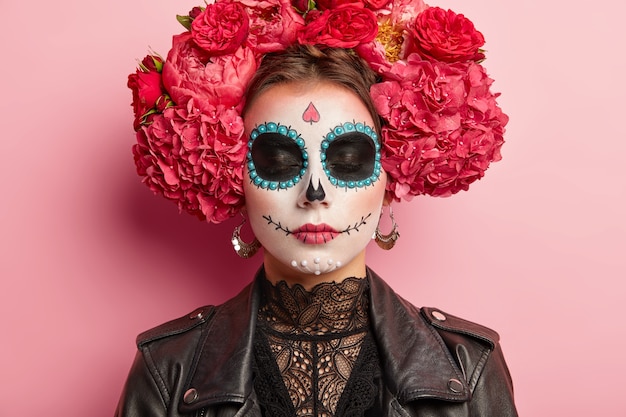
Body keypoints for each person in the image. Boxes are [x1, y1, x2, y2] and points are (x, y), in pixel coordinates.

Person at [119, 0, 516, 416]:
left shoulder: (468, 367)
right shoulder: (168, 370)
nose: (315, 191)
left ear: (393, 171)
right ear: (229, 172)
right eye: (277, 160)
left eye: (347, 161)